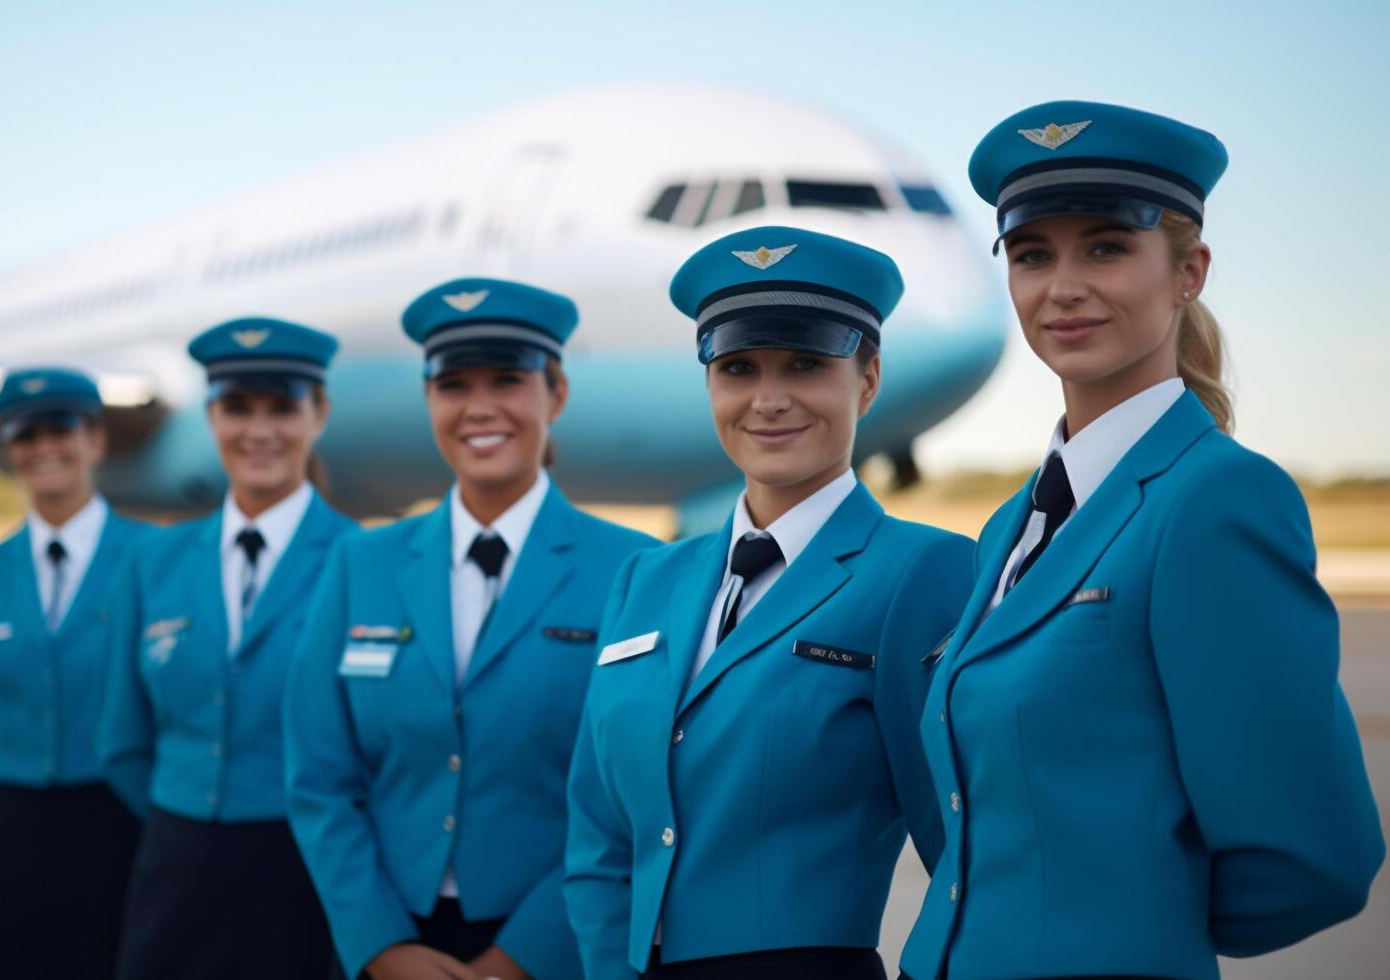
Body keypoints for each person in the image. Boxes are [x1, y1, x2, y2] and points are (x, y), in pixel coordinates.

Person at [899, 101, 1384, 980]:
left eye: (1106, 247)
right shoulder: (1014, 523)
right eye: (1032, 253)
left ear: (1189, 271)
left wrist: (1124, 935)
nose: (1063, 286)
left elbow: (1315, 857)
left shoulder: (1216, 501)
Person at [564, 226, 974, 980]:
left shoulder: (922, 571)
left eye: (806, 365)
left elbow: (962, 847)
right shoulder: (645, 579)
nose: (768, 400)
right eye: (737, 368)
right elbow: (596, 831)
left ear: (868, 378)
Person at [285, 277, 659, 980]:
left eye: (508, 380)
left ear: (556, 394)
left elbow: (634, 793)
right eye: (453, 384)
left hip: (559, 942)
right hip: (389, 938)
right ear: (429, 400)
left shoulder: (637, 573)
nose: (479, 408)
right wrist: (381, 948)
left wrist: (518, 960)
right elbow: (318, 778)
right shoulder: (360, 564)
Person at [99, 318, 353, 979]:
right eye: (238, 407)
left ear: (318, 413)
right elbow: (123, 738)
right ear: (211, 416)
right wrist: (188, 806)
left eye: (282, 407)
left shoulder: (364, 560)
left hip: (311, 875)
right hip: (176, 870)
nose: (259, 430)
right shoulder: (152, 561)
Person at [0, 366, 144, 980]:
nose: (44, 449)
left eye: (62, 430)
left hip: (122, 824)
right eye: (26, 436)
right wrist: (26, 771)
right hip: (13, 830)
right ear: (9, 452)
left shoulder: (155, 560)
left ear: (96, 441)